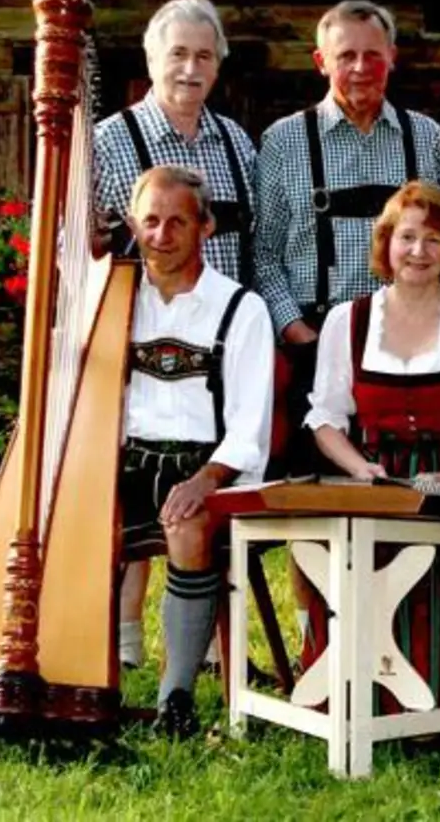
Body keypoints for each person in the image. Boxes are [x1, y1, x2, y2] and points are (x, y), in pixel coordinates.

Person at [300, 180, 440, 711]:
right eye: (406, 238)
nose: (418, 252)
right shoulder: (347, 321)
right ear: (386, 244)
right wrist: (360, 470)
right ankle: (357, 697)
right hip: (374, 483)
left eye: (433, 240)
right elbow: (327, 417)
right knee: (347, 563)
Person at [91, 0, 262, 670]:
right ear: (151, 59)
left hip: (225, 342)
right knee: (127, 485)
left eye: (203, 55)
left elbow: (259, 243)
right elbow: (81, 250)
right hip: (144, 339)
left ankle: (215, 647)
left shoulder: (236, 143)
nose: (190, 68)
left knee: (207, 490)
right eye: (177, 54)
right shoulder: (109, 142)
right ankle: (125, 639)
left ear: (219, 63)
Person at [256, 0, 440, 479]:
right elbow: (264, 255)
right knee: (318, 502)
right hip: (315, 340)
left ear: (392, 56)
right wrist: (299, 334)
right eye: (346, 55)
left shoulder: (425, 137)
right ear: (321, 61)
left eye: (373, 55)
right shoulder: (285, 141)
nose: (360, 68)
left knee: (410, 490)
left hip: (411, 349)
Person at [112, 165, 274, 737]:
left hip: (211, 465)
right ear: (132, 223)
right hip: (130, 463)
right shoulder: (116, 300)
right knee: (76, 527)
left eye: (177, 221)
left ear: (205, 227)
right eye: (149, 221)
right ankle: (80, 680)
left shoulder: (240, 308)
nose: (161, 235)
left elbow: (249, 430)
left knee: (185, 524)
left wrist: (204, 480)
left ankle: (174, 698)